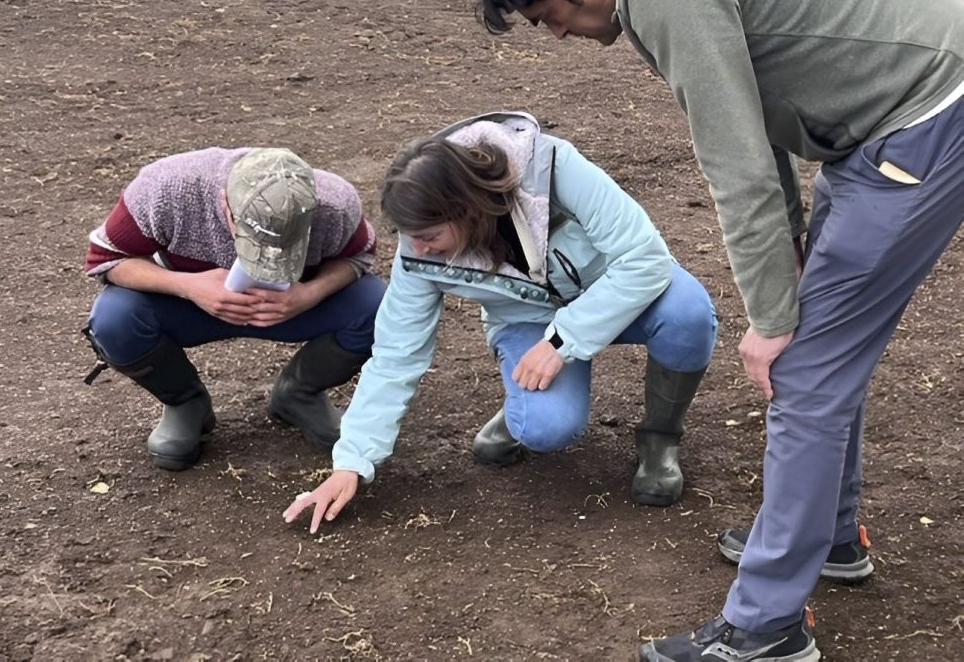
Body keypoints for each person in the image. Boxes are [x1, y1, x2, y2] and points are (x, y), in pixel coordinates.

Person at [476, 0, 964, 662]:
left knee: (805, 366)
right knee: (821, 352)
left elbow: (732, 159)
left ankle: (767, 627)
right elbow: (754, 103)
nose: (558, 35)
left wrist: (770, 322)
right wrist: (792, 251)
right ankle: (828, 537)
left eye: (547, 18)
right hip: (879, 121)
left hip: (922, 117)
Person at [283, 111, 717, 533]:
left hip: (619, 292)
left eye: (430, 236)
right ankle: (519, 410)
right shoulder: (419, 248)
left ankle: (660, 438)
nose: (419, 247)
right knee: (546, 429)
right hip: (529, 319)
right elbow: (396, 352)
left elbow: (644, 259)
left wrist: (562, 341)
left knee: (688, 315)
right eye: (410, 235)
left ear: (466, 210)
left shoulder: (553, 169)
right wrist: (352, 462)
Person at [82, 146, 386, 471]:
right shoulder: (166, 189)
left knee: (378, 307)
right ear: (224, 202)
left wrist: (310, 293)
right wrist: (188, 286)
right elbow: (106, 259)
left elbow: (359, 257)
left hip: (289, 306)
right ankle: (185, 402)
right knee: (114, 318)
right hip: (189, 305)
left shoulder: (335, 203)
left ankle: (300, 393)